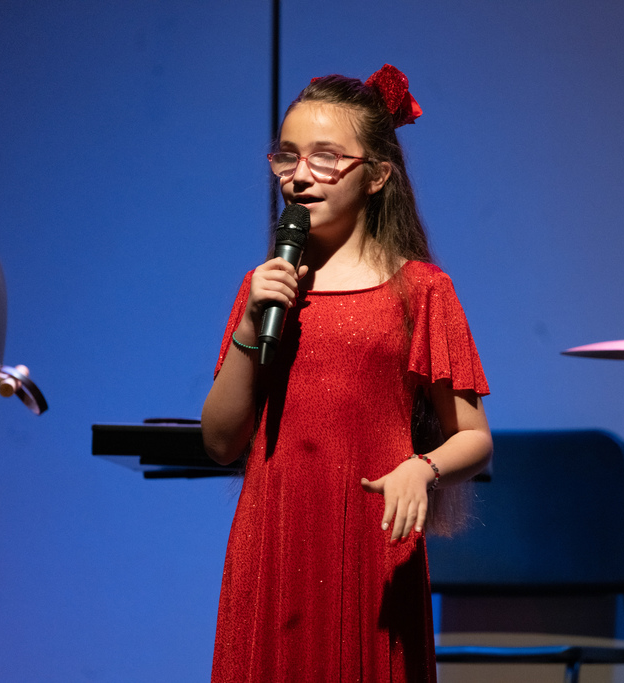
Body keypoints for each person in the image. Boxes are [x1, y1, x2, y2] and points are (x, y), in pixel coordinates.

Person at [201, 64, 492, 682]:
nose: (300, 176)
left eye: (326, 158)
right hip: (275, 537)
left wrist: (424, 466)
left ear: (377, 175)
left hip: (369, 542)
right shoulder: (264, 288)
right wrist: (254, 323)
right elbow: (222, 440)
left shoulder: (422, 292)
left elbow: (474, 437)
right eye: (288, 157)